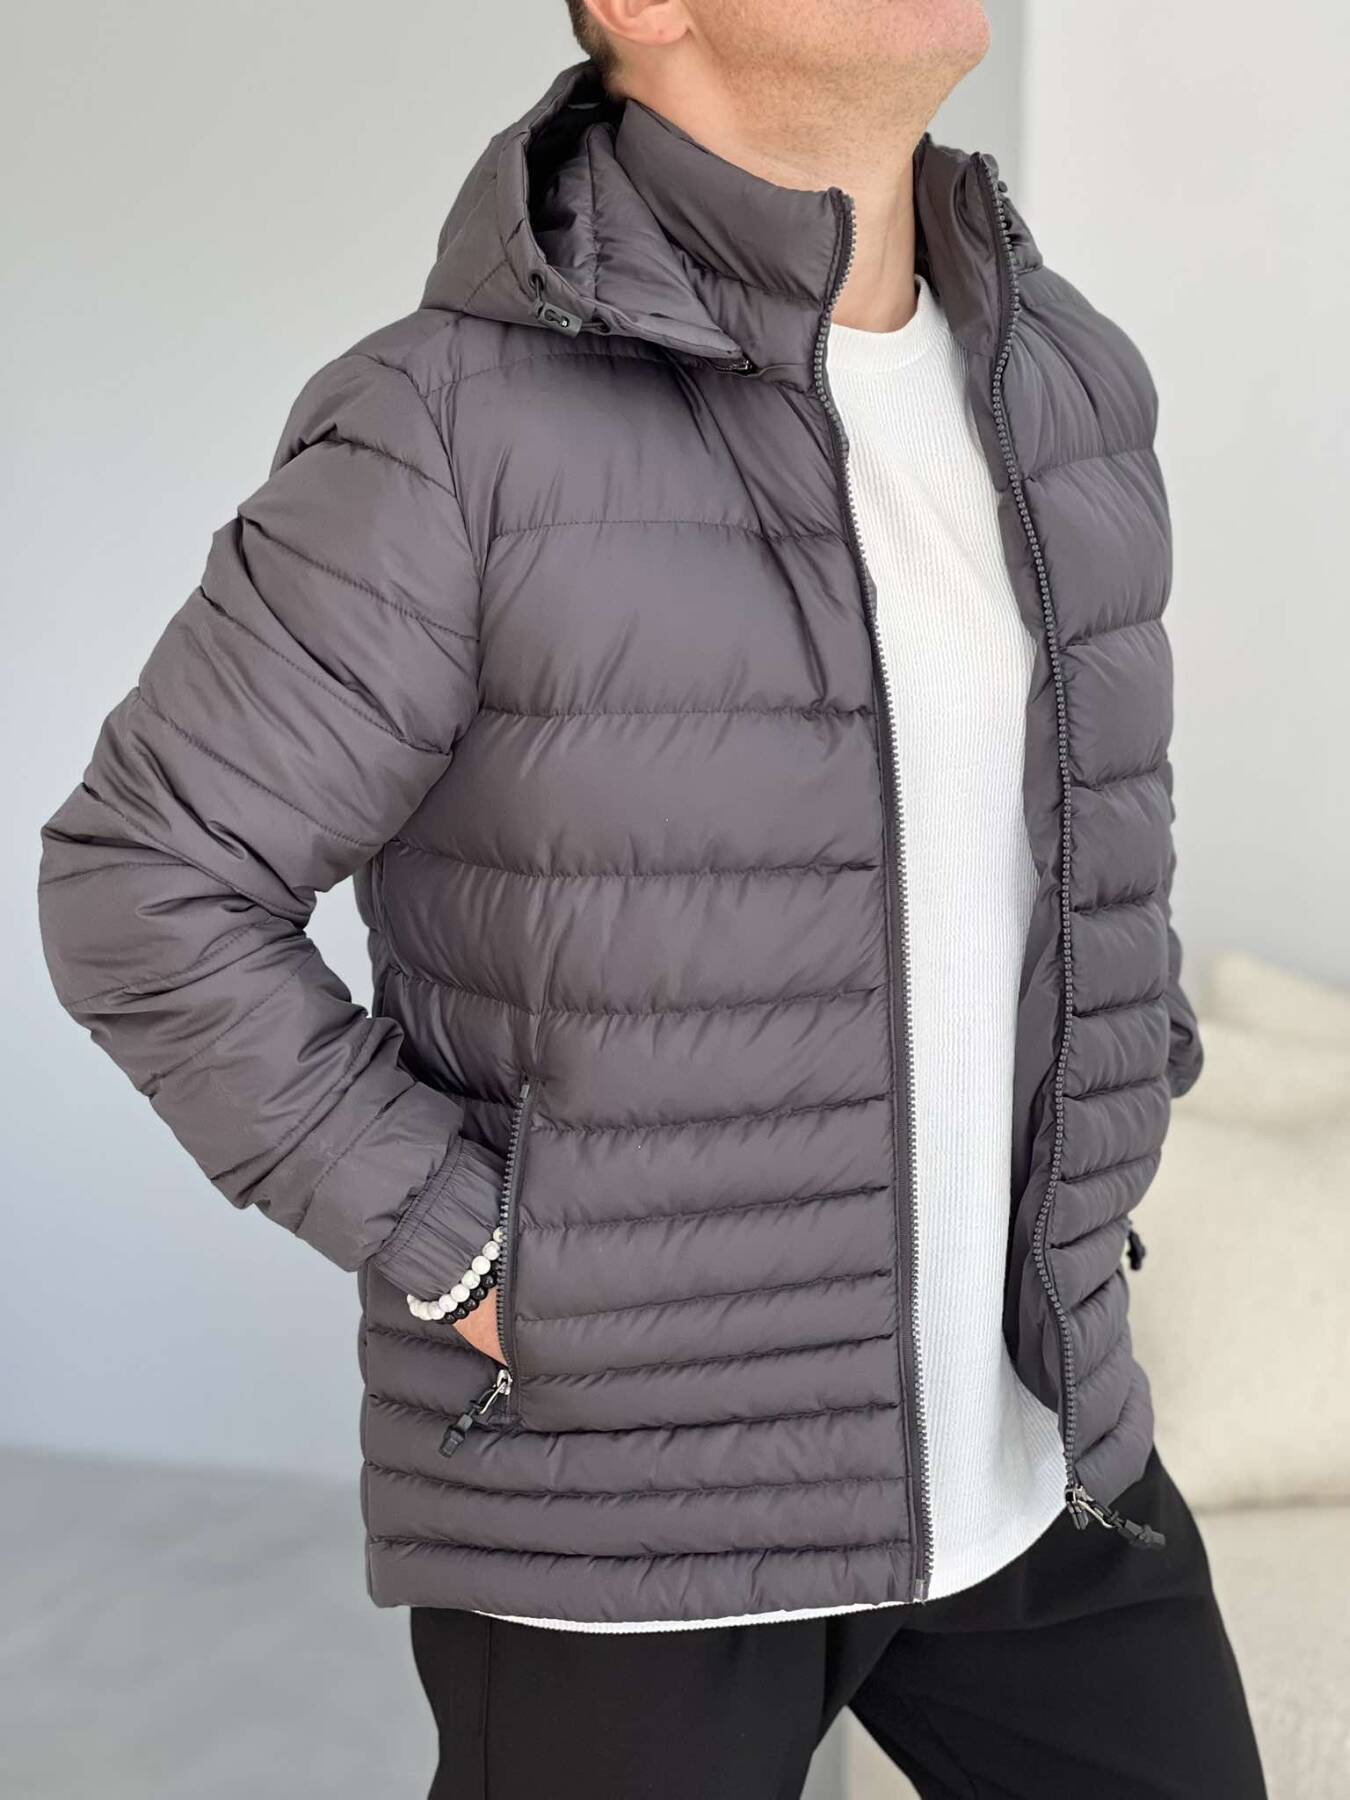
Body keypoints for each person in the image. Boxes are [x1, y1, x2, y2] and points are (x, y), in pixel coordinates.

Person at [37, 1, 1267, 1794]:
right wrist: (471, 1250)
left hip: (1038, 1460)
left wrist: (1115, 1117)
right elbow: (147, 882)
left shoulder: (1066, 381)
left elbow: (1084, 843)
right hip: (630, 1518)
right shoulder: (452, 424)